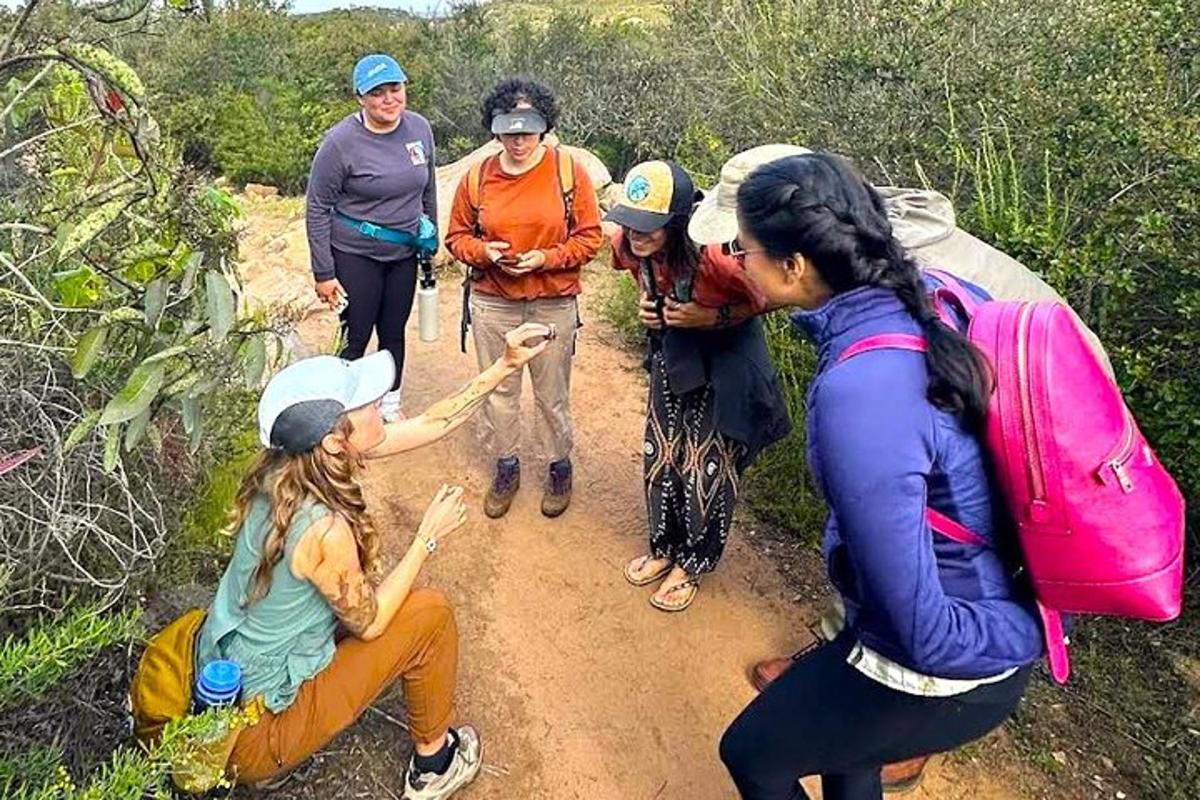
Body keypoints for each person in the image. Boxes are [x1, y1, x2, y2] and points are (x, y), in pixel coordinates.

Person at [689, 142, 1110, 791]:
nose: (736, 261)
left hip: (950, 662)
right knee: (847, 750)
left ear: (796, 265)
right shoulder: (935, 297)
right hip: (991, 608)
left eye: (743, 248)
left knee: (752, 751)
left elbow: (922, 630)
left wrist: (1021, 630)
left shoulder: (862, 390)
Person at [191, 322, 553, 799]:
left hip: (228, 692)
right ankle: (434, 764)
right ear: (335, 439)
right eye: (366, 403)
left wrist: (503, 365)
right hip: (255, 735)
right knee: (430, 616)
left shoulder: (285, 471)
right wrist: (426, 537)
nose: (381, 402)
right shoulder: (324, 529)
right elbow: (371, 622)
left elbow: (433, 423)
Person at [607, 160, 790, 612]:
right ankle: (664, 546)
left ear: (678, 223)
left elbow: (778, 295)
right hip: (676, 351)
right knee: (663, 451)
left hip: (729, 356)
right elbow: (636, 273)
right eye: (629, 222)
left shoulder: (719, 256)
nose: (635, 234)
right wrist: (646, 304)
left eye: (648, 226)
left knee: (708, 463)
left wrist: (716, 316)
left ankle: (692, 562)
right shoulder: (627, 244)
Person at [446, 78, 603, 519]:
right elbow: (456, 236)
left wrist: (546, 259)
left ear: (544, 126)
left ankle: (558, 465)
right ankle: (506, 465)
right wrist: (485, 253)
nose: (518, 139)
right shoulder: (477, 178)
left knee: (552, 393)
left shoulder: (567, 172)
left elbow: (590, 238)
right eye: (509, 130)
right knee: (498, 389)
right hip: (493, 300)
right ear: (495, 130)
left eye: (527, 128)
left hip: (551, 300)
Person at [305, 53, 437, 422]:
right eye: (377, 92)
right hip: (354, 253)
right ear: (360, 97)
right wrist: (323, 272)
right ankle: (341, 410)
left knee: (393, 330)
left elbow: (427, 189)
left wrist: (431, 237)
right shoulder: (341, 143)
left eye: (395, 89)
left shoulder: (420, 129)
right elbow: (317, 206)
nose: (389, 99)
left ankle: (390, 403)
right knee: (357, 333)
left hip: (404, 251)